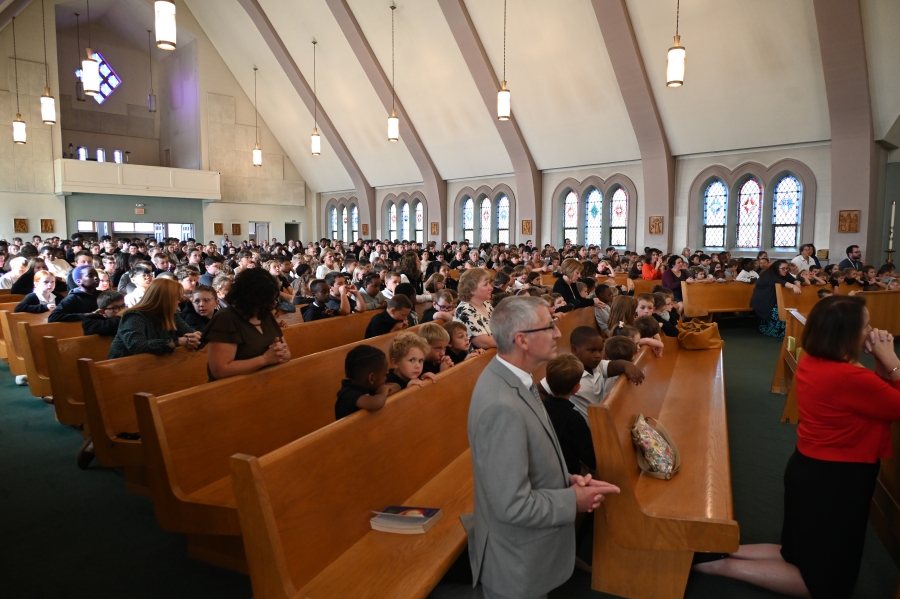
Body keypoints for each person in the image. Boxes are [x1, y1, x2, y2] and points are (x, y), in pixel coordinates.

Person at [695, 295, 900, 598]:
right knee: (828, 585)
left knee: (796, 551)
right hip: (837, 480)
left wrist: (882, 363)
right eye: (866, 325)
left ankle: (712, 553)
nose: (872, 331)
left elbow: (880, 399)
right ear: (846, 334)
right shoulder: (848, 377)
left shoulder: (815, 361)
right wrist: (892, 359)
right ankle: (714, 565)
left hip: (812, 471)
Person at [463, 296, 620, 599]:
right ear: (521, 340)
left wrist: (565, 481)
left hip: (528, 550)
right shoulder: (501, 405)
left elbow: (532, 452)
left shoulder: (518, 379)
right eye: (549, 327)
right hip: (515, 560)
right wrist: (572, 500)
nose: (558, 334)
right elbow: (511, 505)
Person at [203, 267, 290, 381]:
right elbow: (220, 370)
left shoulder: (264, 314)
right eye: (267, 299)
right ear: (250, 297)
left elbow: (288, 354)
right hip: (231, 391)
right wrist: (264, 359)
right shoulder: (226, 318)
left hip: (265, 384)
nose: (272, 304)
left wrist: (280, 352)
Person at [108, 279, 202, 359]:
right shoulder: (133, 316)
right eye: (177, 299)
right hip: (125, 368)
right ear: (165, 300)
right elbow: (137, 346)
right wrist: (177, 341)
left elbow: (188, 332)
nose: (178, 303)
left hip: (154, 367)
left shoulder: (172, 315)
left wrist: (195, 336)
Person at [543, 353, 596, 475]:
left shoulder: (539, 407)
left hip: (547, 469)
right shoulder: (574, 418)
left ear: (547, 381)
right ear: (577, 388)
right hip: (570, 472)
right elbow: (590, 457)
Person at [334, 345, 401, 420]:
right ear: (372, 378)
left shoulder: (368, 384)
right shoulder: (348, 394)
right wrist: (383, 393)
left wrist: (384, 390)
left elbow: (397, 387)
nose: (386, 378)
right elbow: (376, 404)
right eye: (385, 375)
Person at [750, 260, 804, 338]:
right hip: (763, 301)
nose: (785, 270)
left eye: (787, 268)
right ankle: (775, 332)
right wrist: (793, 286)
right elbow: (780, 282)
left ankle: (791, 332)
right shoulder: (768, 274)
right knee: (779, 312)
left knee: (789, 310)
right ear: (776, 268)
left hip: (773, 300)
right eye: (783, 268)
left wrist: (797, 282)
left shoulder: (784, 273)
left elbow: (794, 279)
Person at [454, 268, 498, 350]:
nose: (491, 288)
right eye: (485, 284)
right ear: (472, 290)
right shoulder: (465, 310)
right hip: (480, 359)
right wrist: (513, 341)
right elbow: (484, 342)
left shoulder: (485, 303)